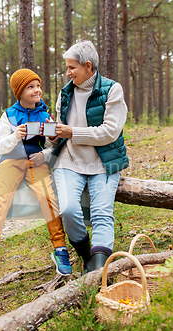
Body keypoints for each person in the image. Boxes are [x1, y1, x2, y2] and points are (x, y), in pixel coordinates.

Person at [0, 68, 72, 277]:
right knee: (2, 199)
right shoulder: (9, 115)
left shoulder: (44, 113)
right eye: (30, 87)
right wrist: (15, 136)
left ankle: (60, 249)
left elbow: (50, 144)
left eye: (37, 86)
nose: (36, 90)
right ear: (19, 92)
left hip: (36, 161)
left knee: (48, 198)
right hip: (10, 161)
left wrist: (49, 144)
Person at [51, 40, 129, 273]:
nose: (67, 73)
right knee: (67, 209)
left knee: (102, 213)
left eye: (71, 67)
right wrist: (52, 135)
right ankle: (86, 255)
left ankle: (97, 270)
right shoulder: (65, 93)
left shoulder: (112, 90)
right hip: (69, 161)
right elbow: (60, 130)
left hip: (104, 163)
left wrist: (71, 132)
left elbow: (110, 132)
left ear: (87, 66)